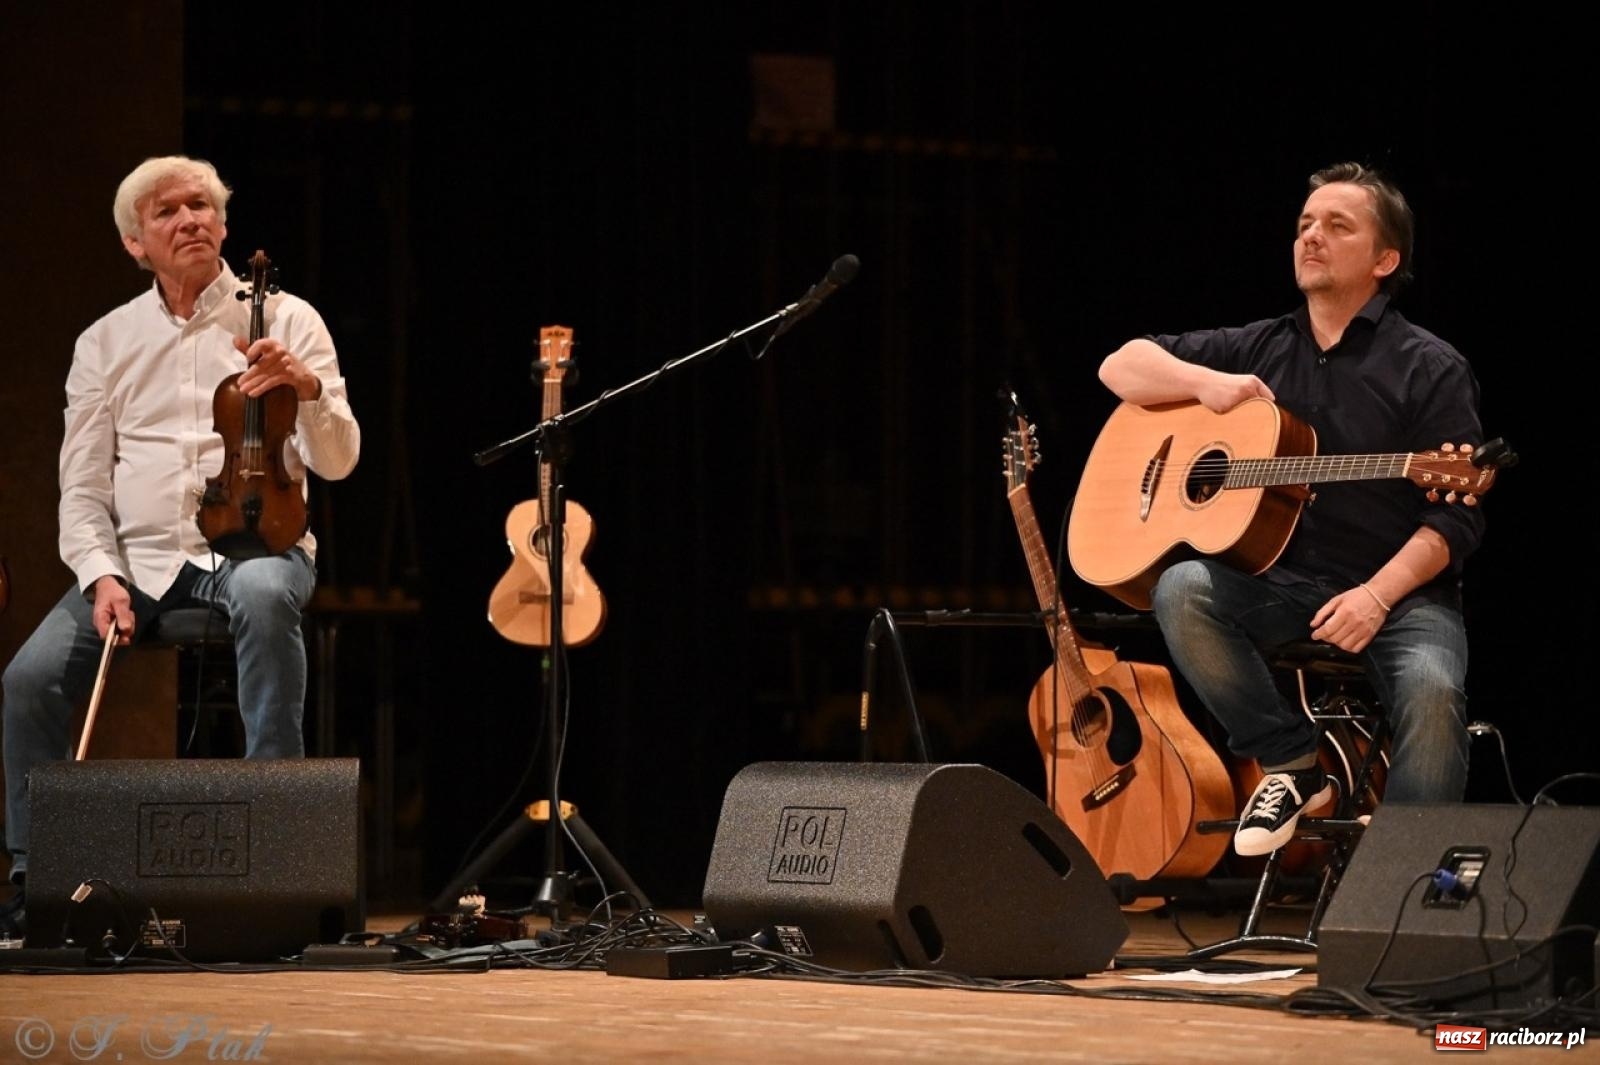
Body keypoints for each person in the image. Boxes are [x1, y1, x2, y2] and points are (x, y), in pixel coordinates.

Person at [0, 155, 360, 935]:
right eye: (168, 211)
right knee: (26, 680)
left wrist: (307, 388)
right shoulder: (105, 342)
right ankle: (35, 874)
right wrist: (100, 576)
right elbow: (84, 484)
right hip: (137, 561)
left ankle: (279, 850)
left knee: (266, 598)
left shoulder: (287, 318)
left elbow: (339, 459)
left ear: (224, 225)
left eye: (202, 205)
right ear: (136, 243)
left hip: (253, 548)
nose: (190, 219)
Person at [1097, 161, 1485, 857]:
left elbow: (1455, 520)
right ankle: (1291, 761)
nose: (1312, 236)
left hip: (1402, 597)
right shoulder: (1259, 348)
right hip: (1285, 590)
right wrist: (1204, 384)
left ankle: (1400, 877)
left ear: (1384, 258)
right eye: (1306, 224)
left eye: (1338, 226)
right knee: (1182, 587)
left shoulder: (1431, 367)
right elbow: (1119, 366)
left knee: (1432, 693)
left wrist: (1375, 596)